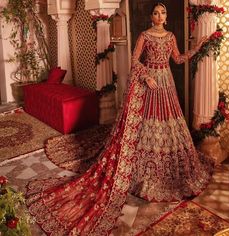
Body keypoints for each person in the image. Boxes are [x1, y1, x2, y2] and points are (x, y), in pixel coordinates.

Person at [26, 2, 214, 235]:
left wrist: (197, 47)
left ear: (166, 16)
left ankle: (166, 168)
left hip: (166, 83)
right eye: (156, 12)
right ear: (152, 16)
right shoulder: (144, 36)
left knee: (170, 123)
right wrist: (145, 77)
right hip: (150, 83)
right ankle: (143, 169)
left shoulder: (171, 36)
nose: (159, 15)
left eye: (162, 12)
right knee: (145, 126)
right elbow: (135, 61)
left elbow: (178, 59)